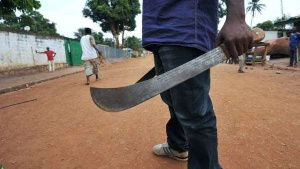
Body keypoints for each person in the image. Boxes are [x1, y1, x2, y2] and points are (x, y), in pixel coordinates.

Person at [142, 0, 253, 168]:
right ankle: (178, 146)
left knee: (194, 112)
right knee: (172, 98)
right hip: (157, 30)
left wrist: (237, 16)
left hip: (185, 24)